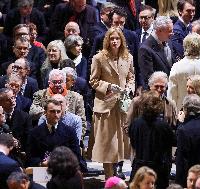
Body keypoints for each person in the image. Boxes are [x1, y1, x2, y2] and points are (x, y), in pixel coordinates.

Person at [88, 27, 135, 179]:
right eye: (112, 38)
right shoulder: (99, 58)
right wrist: (107, 86)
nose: (114, 41)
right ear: (107, 40)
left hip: (122, 105)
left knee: (120, 145)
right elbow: (93, 81)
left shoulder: (128, 57)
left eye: (117, 38)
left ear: (122, 40)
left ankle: (116, 174)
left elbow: (131, 77)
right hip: (105, 105)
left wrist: (129, 88)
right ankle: (109, 178)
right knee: (107, 145)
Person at [129, 91, 175, 188]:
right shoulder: (163, 126)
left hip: (139, 168)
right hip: (158, 170)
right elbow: (173, 142)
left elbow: (133, 142)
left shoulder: (135, 123)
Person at [27, 99, 87, 172]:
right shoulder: (34, 132)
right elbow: (31, 156)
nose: (56, 115)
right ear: (45, 112)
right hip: (42, 171)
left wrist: (61, 163)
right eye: (52, 111)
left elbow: (76, 155)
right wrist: (41, 163)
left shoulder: (70, 131)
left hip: (64, 170)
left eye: (58, 111)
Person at [167, 32, 200, 111]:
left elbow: (171, 95)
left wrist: (173, 116)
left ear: (185, 46)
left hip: (182, 113)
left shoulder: (177, 67)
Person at [29, 69, 86, 135]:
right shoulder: (40, 94)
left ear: (65, 83)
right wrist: (51, 113)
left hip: (69, 135)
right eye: (54, 82)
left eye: (60, 82)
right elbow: (32, 112)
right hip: (46, 133)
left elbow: (82, 122)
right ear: (49, 83)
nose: (57, 84)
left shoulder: (77, 97)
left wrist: (76, 139)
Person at [138, 16, 175, 88]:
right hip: (157, 92)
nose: (172, 34)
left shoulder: (168, 41)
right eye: (169, 31)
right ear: (159, 30)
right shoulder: (145, 49)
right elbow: (149, 79)